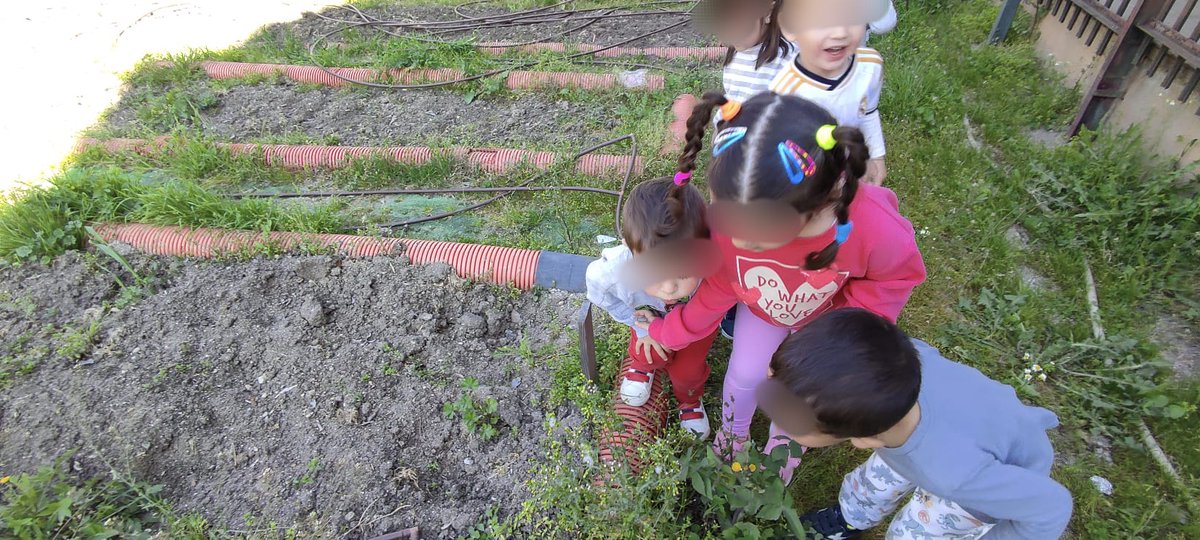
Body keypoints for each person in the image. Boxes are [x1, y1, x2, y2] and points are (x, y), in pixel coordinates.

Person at [639, 92, 926, 483]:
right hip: (762, 312)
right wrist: (668, 332)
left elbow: (897, 275)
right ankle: (732, 435)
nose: (736, 242)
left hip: (826, 330)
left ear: (821, 202)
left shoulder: (873, 227)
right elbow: (716, 293)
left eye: (758, 236)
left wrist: (846, 331)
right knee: (744, 375)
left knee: (802, 401)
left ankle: (783, 452)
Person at [757, 308, 1074, 539]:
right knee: (869, 485)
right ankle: (850, 518)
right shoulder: (891, 362)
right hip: (944, 430)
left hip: (987, 471)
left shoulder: (954, 476)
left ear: (867, 440)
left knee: (916, 531)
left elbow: (1052, 507)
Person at [585, 176, 719, 438]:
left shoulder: (713, 262)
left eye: (683, 274)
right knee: (647, 349)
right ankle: (642, 367)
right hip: (648, 320)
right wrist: (635, 322)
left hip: (696, 327)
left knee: (687, 371)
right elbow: (597, 289)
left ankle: (689, 400)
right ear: (630, 248)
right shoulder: (615, 271)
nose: (669, 289)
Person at [771, 1, 890, 185]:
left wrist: (876, 156)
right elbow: (780, 150)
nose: (840, 33)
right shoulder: (784, 91)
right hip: (809, 183)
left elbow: (868, 111)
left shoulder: (870, 67)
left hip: (852, 173)